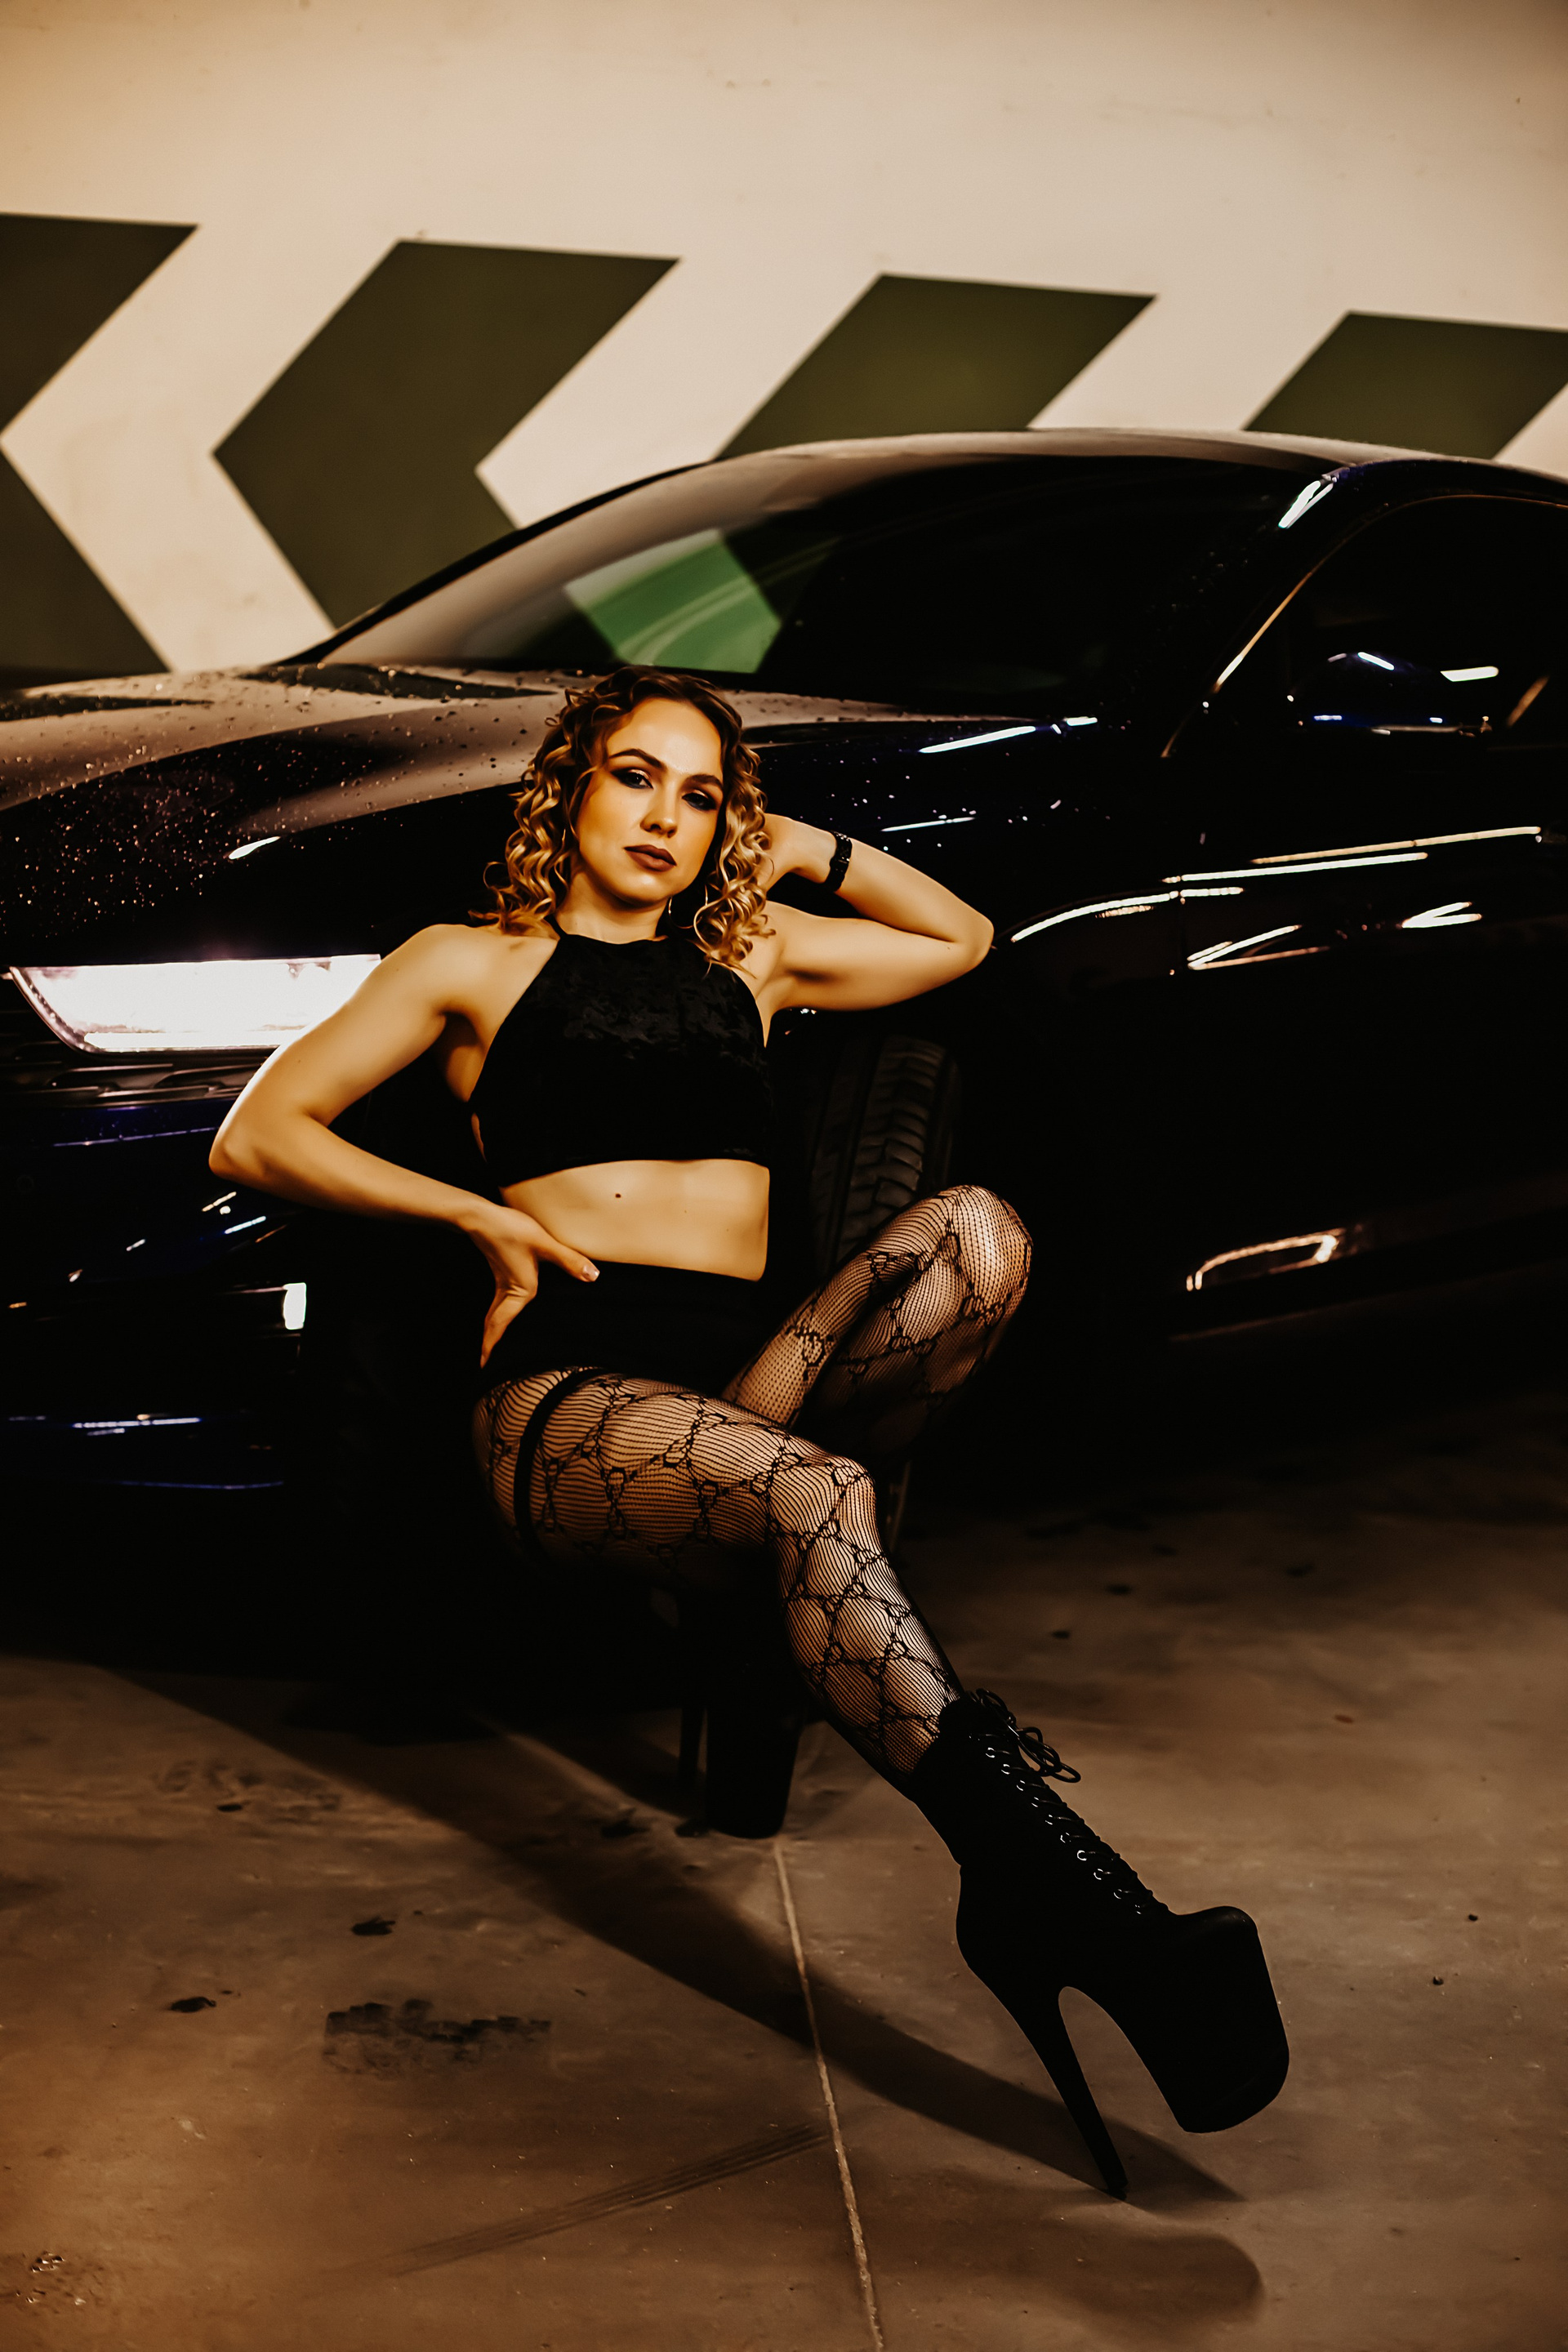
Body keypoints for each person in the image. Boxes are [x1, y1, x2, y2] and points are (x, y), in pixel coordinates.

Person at [210, 663, 1286, 2193]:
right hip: (574, 1402)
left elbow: (962, 938)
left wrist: (799, 848)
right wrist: (476, 1220)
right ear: (570, 787)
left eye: (703, 795)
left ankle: (814, 1645)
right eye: (636, 776)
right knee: (822, 1495)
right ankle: (1080, 1907)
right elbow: (258, 1131)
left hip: (751, 1378)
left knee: (978, 1234)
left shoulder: (756, 957)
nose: (667, 817)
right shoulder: (468, 964)